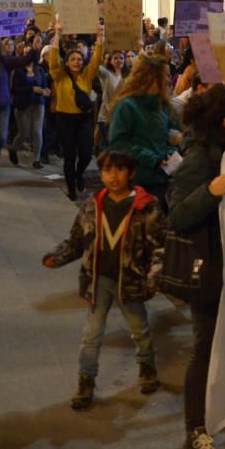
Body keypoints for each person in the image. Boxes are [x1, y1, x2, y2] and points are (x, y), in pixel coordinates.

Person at [168, 85, 225, 449]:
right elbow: (177, 214)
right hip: (208, 269)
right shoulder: (200, 158)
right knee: (205, 348)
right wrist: (211, 191)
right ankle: (194, 435)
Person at [42, 149, 166, 411]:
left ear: (130, 173)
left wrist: (154, 279)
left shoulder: (147, 207)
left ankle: (147, 368)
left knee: (139, 328)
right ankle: (85, 383)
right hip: (97, 281)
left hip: (130, 282)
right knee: (91, 334)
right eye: (107, 170)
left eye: (120, 169)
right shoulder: (91, 205)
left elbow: (160, 248)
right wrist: (58, 257)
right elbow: (77, 241)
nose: (113, 176)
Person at [109, 53, 182, 211]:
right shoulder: (127, 106)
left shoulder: (162, 106)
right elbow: (119, 144)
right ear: (151, 77)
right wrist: (152, 159)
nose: (169, 80)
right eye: (166, 75)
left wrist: (170, 152)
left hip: (161, 180)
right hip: (137, 181)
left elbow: (167, 138)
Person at [49, 22, 104, 200]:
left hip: (83, 120)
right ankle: (71, 188)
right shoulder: (59, 76)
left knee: (87, 154)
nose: (76, 62)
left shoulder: (87, 75)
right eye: (72, 59)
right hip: (64, 120)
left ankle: (79, 174)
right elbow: (53, 59)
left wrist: (99, 36)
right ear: (67, 62)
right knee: (69, 157)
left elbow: (97, 59)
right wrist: (57, 34)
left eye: (79, 59)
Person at [0, 30, 39, 176]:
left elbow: (23, 61)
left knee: (2, 138)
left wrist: (35, 49)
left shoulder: (4, 60)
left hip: (3, 105)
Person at [9, 38, 51, 169]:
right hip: (23, 104)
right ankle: (13, 148)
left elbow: (44, 84)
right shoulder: (18, 70)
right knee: (24, 133)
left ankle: (36, 159)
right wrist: (31, 89)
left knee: (37, 131)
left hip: (38, 103)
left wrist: (46, 90)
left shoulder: (39, 70)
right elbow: (14, 89)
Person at [96, 50, 126, 153]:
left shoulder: (127, 76)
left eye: (121, 58)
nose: (119, 60)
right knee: (107, 145)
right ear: (110, 61)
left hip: (122, 117)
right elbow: (95, 65)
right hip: (106, 116)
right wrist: (101, 44)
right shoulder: (107, 75)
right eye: (115, 58)